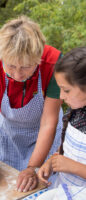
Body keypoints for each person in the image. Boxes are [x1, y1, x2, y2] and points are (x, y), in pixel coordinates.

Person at [0, 16, 63, 192]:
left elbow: (48, 123)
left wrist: (32, 168)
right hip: (9, 134)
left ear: (38, 57)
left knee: (42, 188)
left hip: (45, 133)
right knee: (9, 187)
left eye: (26, 67)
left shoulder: (54, 65)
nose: (17, 75)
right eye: (11, 66)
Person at [37, 47, 86, 199]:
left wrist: (73, 167)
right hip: (66, 191)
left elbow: (73, 164)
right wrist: (53, 161)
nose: (61, 96)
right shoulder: (75, 112)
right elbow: (68, 146)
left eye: (66, 90)